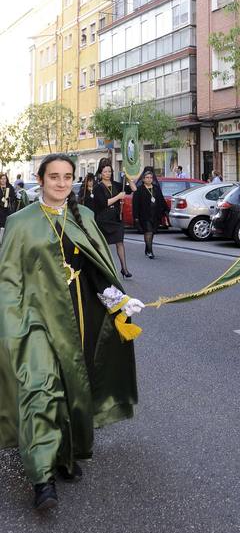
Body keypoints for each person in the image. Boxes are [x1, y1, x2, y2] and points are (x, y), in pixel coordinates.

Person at [0, 152, 143, 511]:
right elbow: (8, 278)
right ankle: (41, 477)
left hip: (78, 316)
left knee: (72, 386)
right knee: (40, 388)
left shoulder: (85, 217)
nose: (61, 183)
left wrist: (118, 300)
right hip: (33, 318)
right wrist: (10, 323)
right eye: (54, 177)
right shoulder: (20, 222)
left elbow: (95, 268)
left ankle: (65, 454)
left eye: (67, 177)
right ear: (40, 179)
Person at [92, 159, 136, 279]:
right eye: (105, 172)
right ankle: (104, 269)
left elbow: (134, 189)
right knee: (103, 245)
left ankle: (124, 269)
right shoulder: (98, 187)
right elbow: (104, 203)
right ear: (101, 173)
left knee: (120, 242)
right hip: (103, 220)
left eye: (110, 171)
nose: (108, 174)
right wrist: (118, 196)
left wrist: (128, 178)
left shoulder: (116, 184)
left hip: (116, 218)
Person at [133, 169, 168, 259]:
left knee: (151, 233)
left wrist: (166, 210)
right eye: (147, 177)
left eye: (151, 177)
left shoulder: (156, 188)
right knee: (148, 231)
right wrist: (136, 217)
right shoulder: (139, 189)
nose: (149, 179)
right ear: (143, 179)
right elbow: (135, 204)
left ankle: (147, 248)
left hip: (155, 214)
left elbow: (161, 199)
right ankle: (150, 251)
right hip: (144, 215)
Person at [0, 173, 18, 243]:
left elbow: (14, 197)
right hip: (0, 209)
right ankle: (1, 239)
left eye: (4, 179)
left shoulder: (10, 187)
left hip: (8, 209)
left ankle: (8, 238)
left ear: (6, 179)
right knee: (1, 223)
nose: (3, 180)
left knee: (8, 223)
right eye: (1, 179)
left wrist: (8, 199)